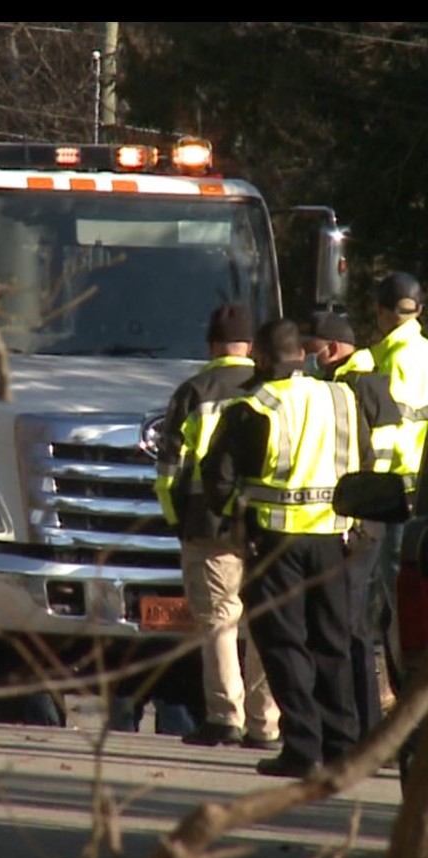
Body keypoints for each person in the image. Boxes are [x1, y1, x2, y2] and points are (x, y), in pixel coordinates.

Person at [201, 318, 399, 779]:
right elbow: (366, 462)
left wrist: (234, 518)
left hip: (274, 545)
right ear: (303, 355)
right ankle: (342, 747)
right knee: (334, 642)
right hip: (336, 541)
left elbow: (218, 479)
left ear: (261, 357)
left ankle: (303, 747)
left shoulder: (252, 407)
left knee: (284, 644)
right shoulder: (341, 398)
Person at [156, 303, 281, 750]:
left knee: (219, 619)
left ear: (212, 345)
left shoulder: (193, 392)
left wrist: (176, 517)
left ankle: (225, 716)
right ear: (250, 346)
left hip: (207, 523)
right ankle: (266, 724)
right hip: (269, 522)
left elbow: (168, 468)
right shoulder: (272, 389)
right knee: (264, 621)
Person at [306, 311, 384, 740]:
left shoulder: (356, 388)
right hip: (366, 519)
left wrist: (357, 524)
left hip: (362, 524)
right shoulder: (359, 382)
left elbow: (371, 465)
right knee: (348, 625)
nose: (307, 357)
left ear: (332, 349)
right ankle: (358, 726)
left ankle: (363, 729)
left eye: (312, 349)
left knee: (350, 628)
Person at [361, 272, 428, 704]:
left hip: (398, 492)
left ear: (382, 312)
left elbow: (388, 430)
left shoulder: (394, 359)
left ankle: (406, 698)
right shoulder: (423, 351)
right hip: (422, 486)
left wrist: (372, 488)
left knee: (397, 602)